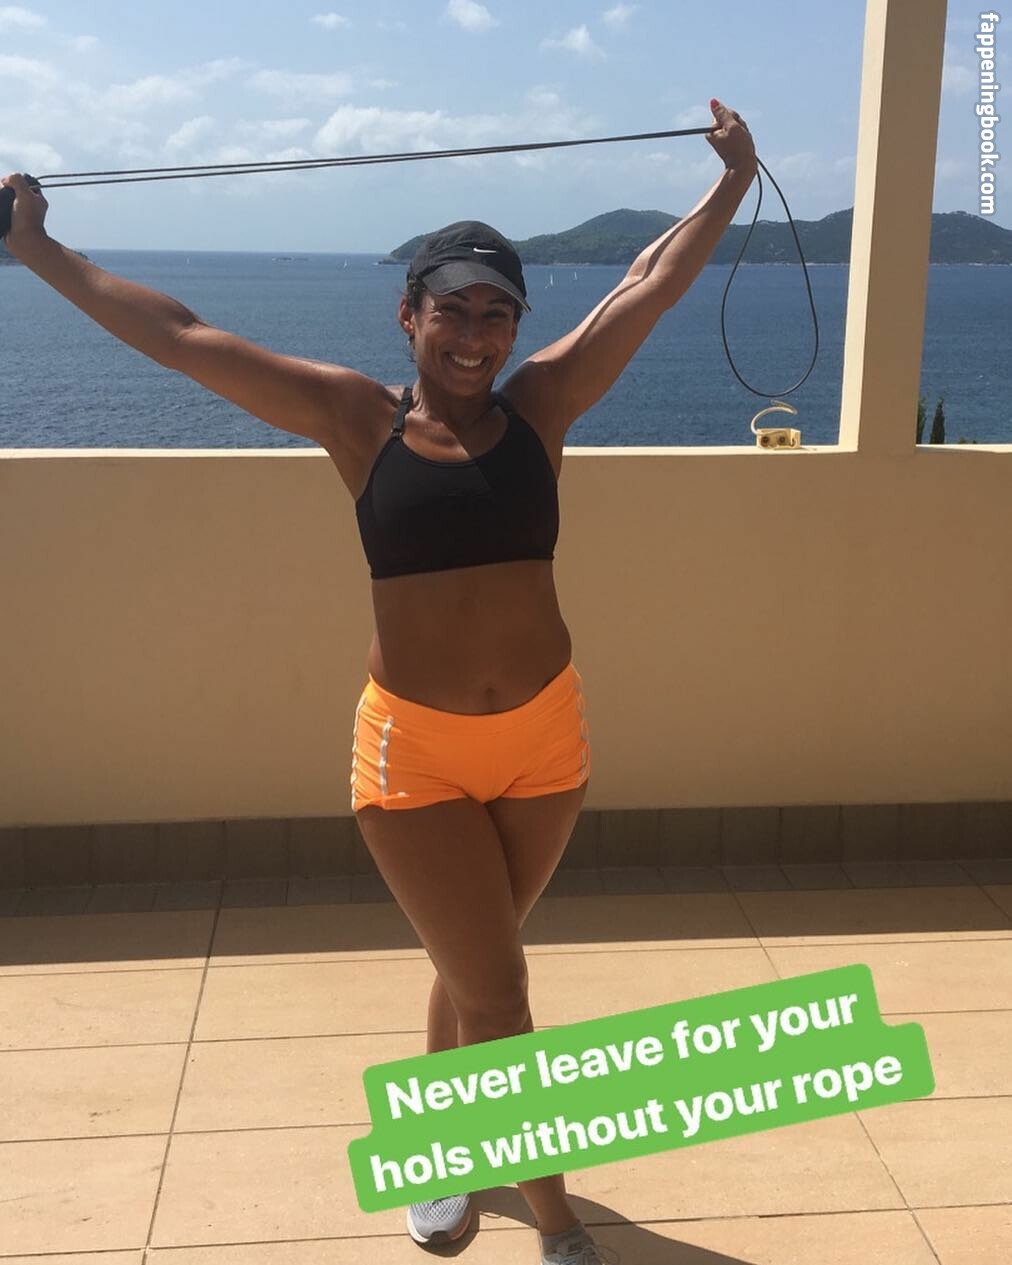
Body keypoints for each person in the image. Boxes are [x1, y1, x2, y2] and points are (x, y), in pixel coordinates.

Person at [2, 98, 755, 1264]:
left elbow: (645, 287)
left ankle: (433, 1145)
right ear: (408, 315)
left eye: (496, 313)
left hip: (545, 744)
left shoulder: (543, 404)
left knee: (474, 961)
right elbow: (182, 333)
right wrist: (39, 248)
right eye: (452, 309)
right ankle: (558, 1221)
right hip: (415, 757)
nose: (475, 334)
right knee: (498, 989)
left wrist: (730, 182)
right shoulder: (357, 418)